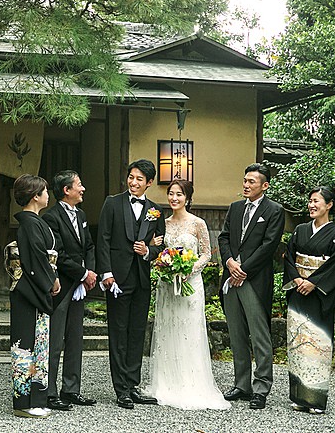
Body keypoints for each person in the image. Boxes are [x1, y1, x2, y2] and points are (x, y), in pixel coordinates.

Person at [143, 180, 230, 410]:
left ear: (187, 198)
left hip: (190, 284)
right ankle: (166, 383)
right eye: (170, 194)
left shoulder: (198, 223)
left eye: (179, 194)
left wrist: (188, 269)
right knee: (168, 329)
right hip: (167, 285)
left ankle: (192, 383)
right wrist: (163, 264)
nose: (174, 198)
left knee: (189, 331)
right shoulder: (163, 223)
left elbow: (206, 254)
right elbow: (158, 251)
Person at [96, 159, 165, 409]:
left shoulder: (156, 210)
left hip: (141, 279)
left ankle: (133, 384)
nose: (133, 182)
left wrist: (148, 250)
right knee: (119, 332)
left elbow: (161, 244)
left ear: (149, 183)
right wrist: (106, 273)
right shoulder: (112, 203)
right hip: (117, 278)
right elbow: (102, 239)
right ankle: (121, 389)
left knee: (137, 332)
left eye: (139, 179)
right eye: (131, 177)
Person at [218, 163, 284, 410]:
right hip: (231, 277)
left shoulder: (274, 210)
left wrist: (243, 268)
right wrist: (229, 262)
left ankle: (261, 387)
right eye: (245, 180)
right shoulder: (235, 208)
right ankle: (241, 384)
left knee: (259, 336)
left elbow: (269, 246)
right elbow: (224, 237)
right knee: (236, 334)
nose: (246, 185)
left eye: (252, 182)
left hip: (254, 280)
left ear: (265, 185)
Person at [283, 186, 335, 414]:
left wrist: (314, 283)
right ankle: (300, 397)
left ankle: (316, 400)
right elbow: (289, 257)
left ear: (329, 205)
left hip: (319, 296)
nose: (311, 205)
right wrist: (296, 279)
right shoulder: (300, 230)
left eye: (316, 201)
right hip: (298, 291)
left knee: (317, 346)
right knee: (297, 344)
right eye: (310, 201)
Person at [42, 170, 98, 411]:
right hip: (61, 285)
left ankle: (71, 389)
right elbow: (59, 255)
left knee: (76, 339)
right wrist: (83, 274)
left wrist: (91, 273)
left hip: (80, 286)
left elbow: (89, 246)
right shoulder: (51, 217)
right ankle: (50, 391)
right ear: (66, 190)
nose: (83, 188)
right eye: (79, 185)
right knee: (55, 340)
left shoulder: (83, 215)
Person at [10, 174, 61, 419]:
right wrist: (50, 280)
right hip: (28, 290)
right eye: (45, 191)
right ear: (35, 196)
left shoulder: (36, 222)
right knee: (26, 345)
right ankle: (23, 402)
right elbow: (37, 259)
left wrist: (52, 277)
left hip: (35, 286)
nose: (48, 195)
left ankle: (36, 398)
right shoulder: (30, 224)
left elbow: (43, 257)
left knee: (38, 344)